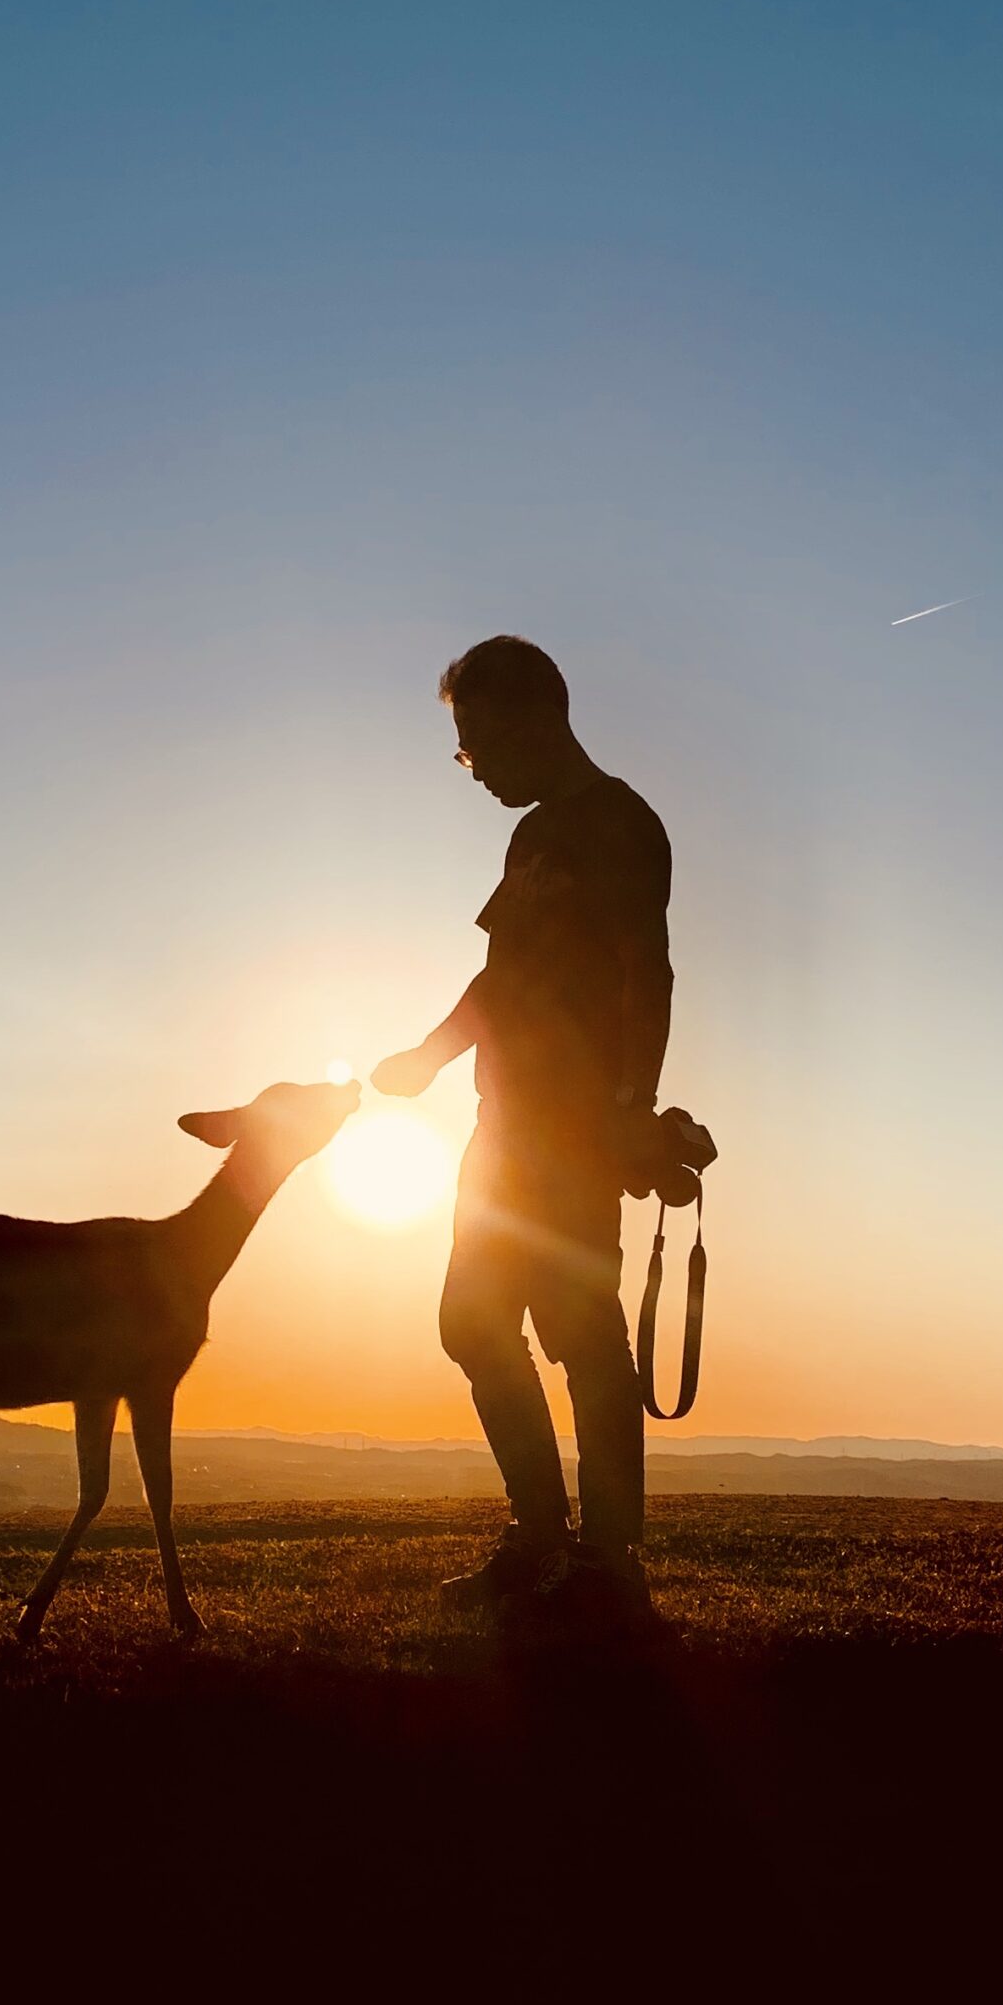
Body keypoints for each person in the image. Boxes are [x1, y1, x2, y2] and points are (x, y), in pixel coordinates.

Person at [373, 635, 672, 1618]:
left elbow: (648, 972)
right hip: (499, 1129)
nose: (473, 767)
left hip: (575, 1131)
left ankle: (608, 1564)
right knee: (471, 1323)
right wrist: (430, 1055)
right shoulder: (531, 838)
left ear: (535, 717)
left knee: (581, 1333)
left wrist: (630, 1107)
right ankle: (541, 1536)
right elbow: (499, 980)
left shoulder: (621, 823)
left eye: (477, 743)